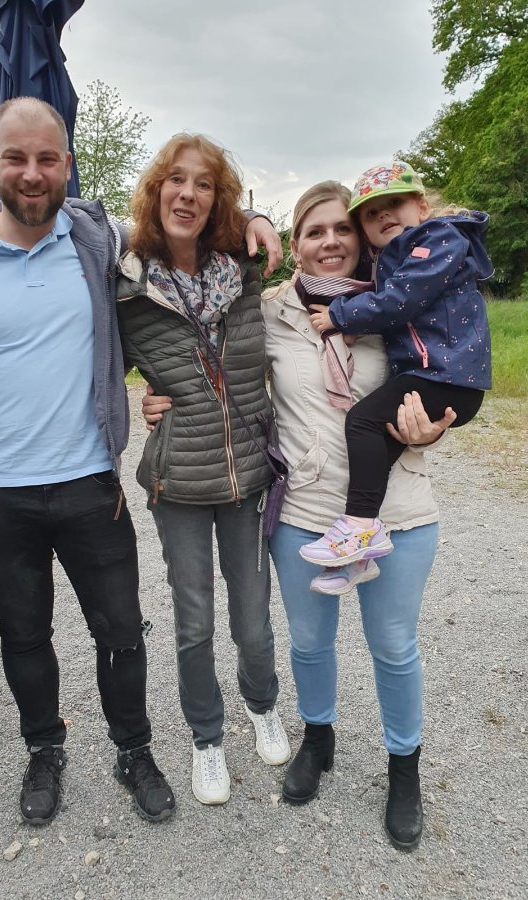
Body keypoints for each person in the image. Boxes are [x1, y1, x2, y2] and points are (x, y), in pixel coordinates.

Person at [0, 98, 281, 826]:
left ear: (66, 164)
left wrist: (254, 219)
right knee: (25, 637)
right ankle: (44, 752)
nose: (32, 173)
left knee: (120, 632)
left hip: (91, 483)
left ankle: (134, 751)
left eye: (46, 159)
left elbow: (177, 223)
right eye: (16, 158)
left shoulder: (96, 238)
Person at [262, 180, 457, 851]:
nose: (330, 242)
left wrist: (434, 430)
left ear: (360, 237)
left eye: (341, 229)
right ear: (295, 243)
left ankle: (404, 768)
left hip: (398, 511)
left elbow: (449, 377)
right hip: (306, 510)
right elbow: (209, 360)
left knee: (393, 647)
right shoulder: (272, 312)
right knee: (308, 641)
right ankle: (317, 740)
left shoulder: (403, 302)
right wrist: (161, 399)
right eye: (313, 231)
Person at [116, 133, 290, 806]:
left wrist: (259, 217)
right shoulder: (127, 288)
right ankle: (206, 738)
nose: (187, 194)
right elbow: (102, 370)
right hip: (179, 483)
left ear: (219, 199)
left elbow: (300, 247)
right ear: (156, 190)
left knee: (253, 618)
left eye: (204, 184)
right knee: (193, 623)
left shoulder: (245, 270)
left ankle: (261, 703)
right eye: (176, 180)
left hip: (247, 476)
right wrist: (143, 398)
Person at [300, 162, 491, 589]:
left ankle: (359, 529)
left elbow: (401, 298)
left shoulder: (437, 240)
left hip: (444, 376)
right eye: (371, 212)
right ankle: (357, 555)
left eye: (395, 203)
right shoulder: (395, 255)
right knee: (377, 453)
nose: (383, 213)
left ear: (421, 207)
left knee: (362, 421)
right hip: (436, 374)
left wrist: (340, 316)